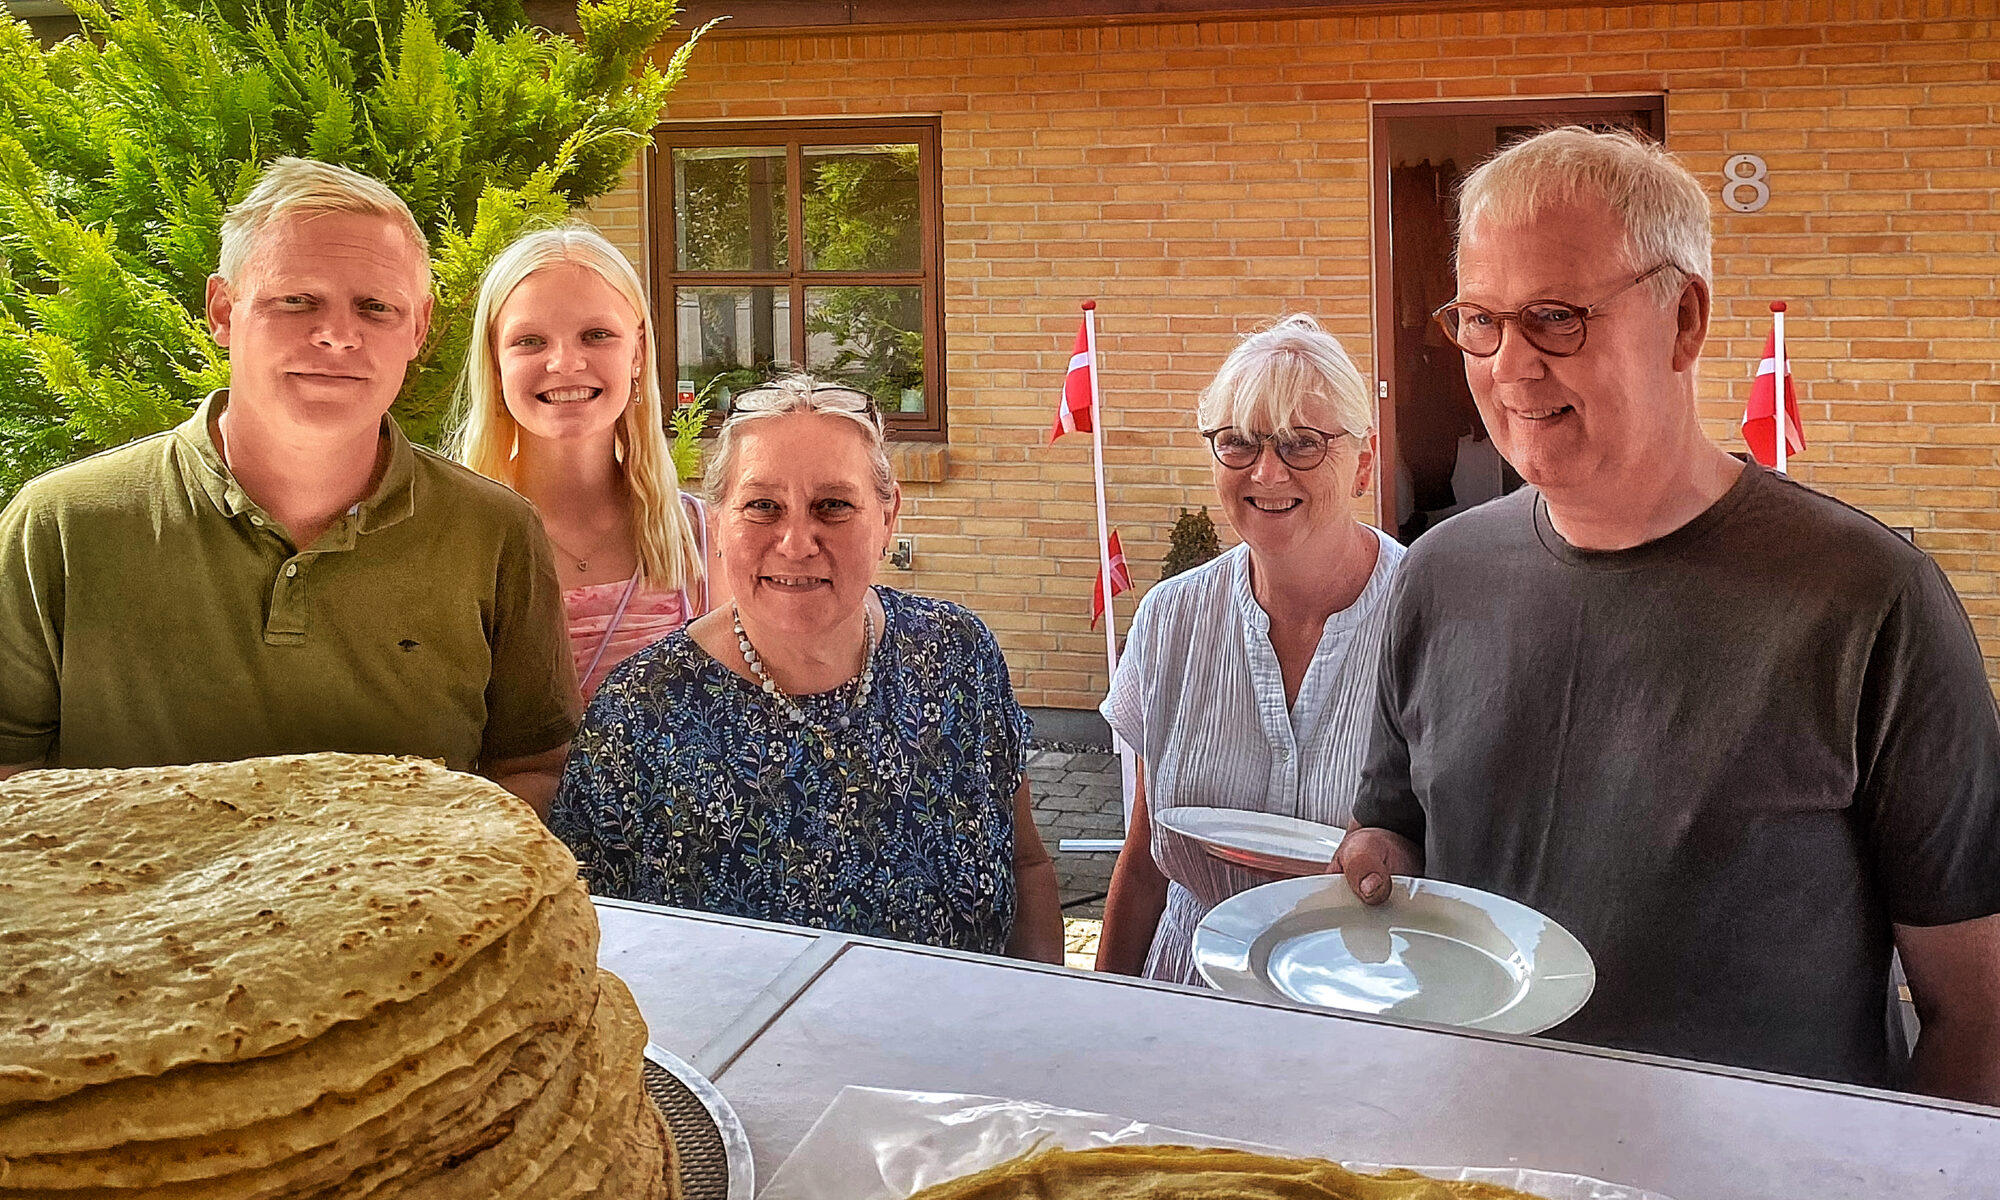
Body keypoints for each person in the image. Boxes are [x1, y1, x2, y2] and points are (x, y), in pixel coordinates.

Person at [1337, 127, 2000, 1101]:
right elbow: (1395, 827)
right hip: (1474, 1152)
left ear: (1682, 320)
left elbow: (1974, 1010)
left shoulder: (1867, 601)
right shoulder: (1435, 576)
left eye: (1555, 316)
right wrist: (1366, 862)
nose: (1508, 367)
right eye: (1479, 319)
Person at [0, 158, 578, 811]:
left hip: (406, 914)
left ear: (417, 327)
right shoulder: (60, 527)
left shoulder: (496, 534)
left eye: (375, 307)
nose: (336, 334)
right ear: (223, 311)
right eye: (295, 300)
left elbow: (533, 767)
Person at [550, 376, 1063, 962]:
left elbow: (1026, 865)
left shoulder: (956, 654)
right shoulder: (641, 710)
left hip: (961, 1041)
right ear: (718, 522)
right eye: (762, 506)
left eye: (834, 506)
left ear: (887, 519)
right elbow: (584, 934)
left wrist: (1040, 1030)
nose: (796, 542)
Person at [1095, 315, 1406, 983]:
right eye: (1237, 442)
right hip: (1187, 996)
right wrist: (1105, 1012)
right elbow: (1147, 854)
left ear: (1364, 463)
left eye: (1301, 443)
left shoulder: (1427, 617)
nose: (1267, 471)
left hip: (1364, 1001)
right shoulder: (1170, 618)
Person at [452, 223, 722, 703]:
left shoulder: (704, 540)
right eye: (530, 341)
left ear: (637, 352)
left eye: (596, 335)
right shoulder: (449, 541)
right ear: (494, 360)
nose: (565, 363)